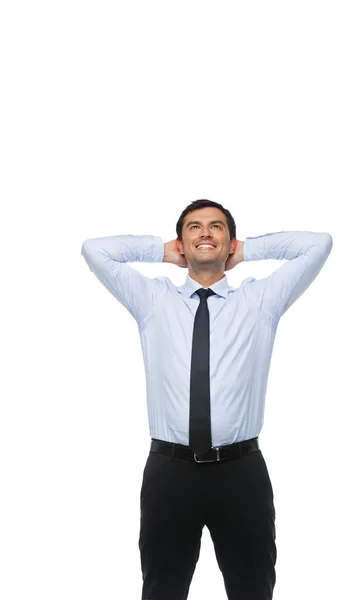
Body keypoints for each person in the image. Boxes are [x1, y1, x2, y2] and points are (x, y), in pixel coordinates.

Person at [81, 198, 333, 600]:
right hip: (170, 470)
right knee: (163, 589)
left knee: (252, 589)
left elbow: (318, 244)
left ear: (229, 242)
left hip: (241, 472)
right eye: (194, 227)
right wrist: (163, 252)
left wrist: (245, 250)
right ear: (181, 242)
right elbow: (95, 250)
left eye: (216, 227)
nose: (205, 234)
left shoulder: (259, 302)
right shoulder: (154, 301)